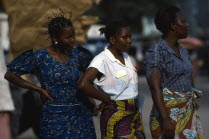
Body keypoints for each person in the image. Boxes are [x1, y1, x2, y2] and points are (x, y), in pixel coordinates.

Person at [4, 10, 96, 138]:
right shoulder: (40, 57)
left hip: (80, 116)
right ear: (55, 38)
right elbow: (10, 75)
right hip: (53, 118)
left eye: (73, 36)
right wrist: (38, 89)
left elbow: (91, 72)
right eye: (68, 37)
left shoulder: (77, 54)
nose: (72, 40)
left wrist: (90, 94)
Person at [144, 6, 204, 139]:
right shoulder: (156, 52)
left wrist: (191, 101)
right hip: (168, 115)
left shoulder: (183, 51)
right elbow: (155, 88)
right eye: (183, 21)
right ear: (173, 26)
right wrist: (165, 120)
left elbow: (188, 76)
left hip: (187, 112)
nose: (187, 25)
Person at [79, 20, 146, 139]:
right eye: (124, 37)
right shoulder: (102, 60)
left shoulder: (125, 56)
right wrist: (105, 98)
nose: (129, 41)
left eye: (130, 37)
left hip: (135, 115)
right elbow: (84, 84)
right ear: (112, 40)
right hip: (116, 115)